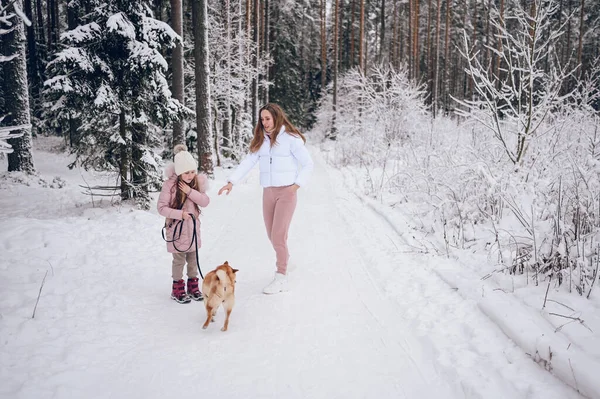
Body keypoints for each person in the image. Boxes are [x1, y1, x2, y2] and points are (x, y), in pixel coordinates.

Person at [218, 103, 314, 294]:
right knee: (272, 235)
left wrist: (295, 186)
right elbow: (248, 162)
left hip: (286, 192)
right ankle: (285, 258)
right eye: (262, 119)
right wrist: (232, 181)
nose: (265, 122)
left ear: (276, 117)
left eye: (268, 118)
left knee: (278, 235)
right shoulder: (261, 140)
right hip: (268, 193)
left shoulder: (291, 139)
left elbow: (308, 164)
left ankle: (281, 275)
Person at [158, 144, 210, 303]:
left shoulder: (196, 183)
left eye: (193, 171)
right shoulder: (170, 186)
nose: (190, 175)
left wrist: (189, 192)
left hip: (193, 230)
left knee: (193, 259)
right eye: (186, 172)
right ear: (179, 171)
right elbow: (161, 208)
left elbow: (205, 201)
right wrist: (180, 214)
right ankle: (177, 288)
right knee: (179, 260)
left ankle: (193, 285)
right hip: (177, 230)